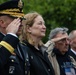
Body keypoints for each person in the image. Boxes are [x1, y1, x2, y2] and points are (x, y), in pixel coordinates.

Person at [0, 0, 27, 75]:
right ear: (2, 22)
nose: (21, 24)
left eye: (21, 19)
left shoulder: (21, 46)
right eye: (16, 20)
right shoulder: (11, 40)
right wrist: (10, 36)